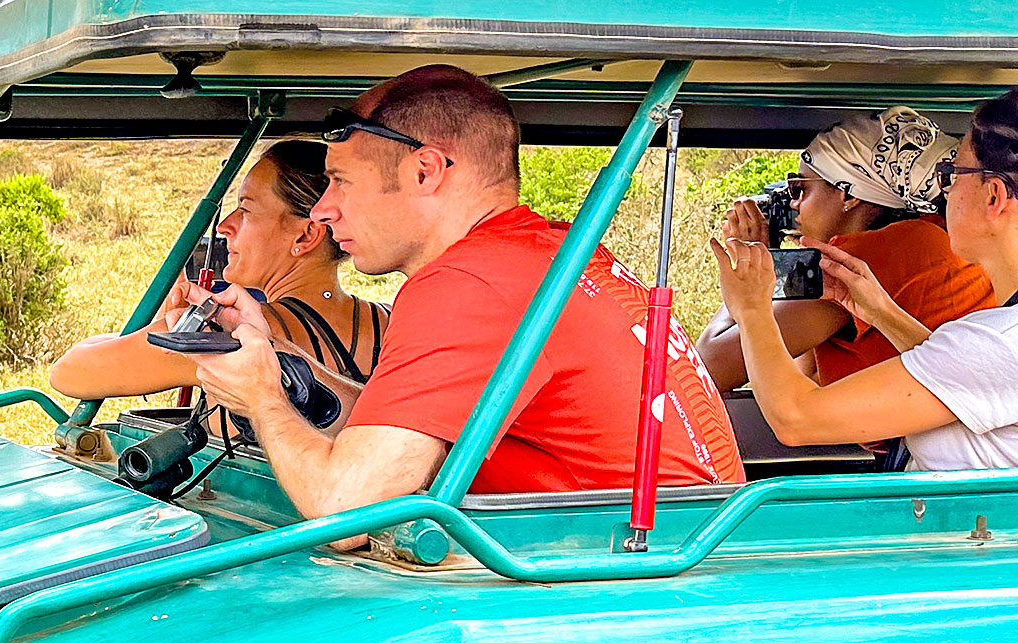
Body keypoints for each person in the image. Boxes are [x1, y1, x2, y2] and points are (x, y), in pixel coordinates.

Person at [185, 64, 744, 527]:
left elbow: (347, 509)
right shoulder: (543, 253)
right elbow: (409, 445)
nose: (325, 209)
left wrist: (261, 398)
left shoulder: (469, 284)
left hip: (609, 583)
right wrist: (283, 367)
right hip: (671, 562)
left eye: (341, 182)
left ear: (425, 171)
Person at [714, 89, 1018, 470]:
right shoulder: (998, 334)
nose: (946, 190)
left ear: (994, 196)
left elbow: (794, 418)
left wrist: (749, 305)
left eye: (952, 175)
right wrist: (882, 313)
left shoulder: (999, 341)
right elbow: (960, 372)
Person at [48, 140, 390, 399]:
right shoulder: (391, 322)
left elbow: (69, 373)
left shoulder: (227, 338)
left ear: (306, 234)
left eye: (247, 210)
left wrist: (165, 328)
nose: (226, 225)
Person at [697, 107, 992, 391]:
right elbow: (806, 375)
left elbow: (708, 368)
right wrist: (775, 268)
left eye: (799, 189)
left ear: (847, 193)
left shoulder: (872, 255)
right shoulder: (924, 236)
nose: (792, 206)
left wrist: (748, 264)